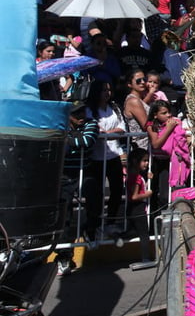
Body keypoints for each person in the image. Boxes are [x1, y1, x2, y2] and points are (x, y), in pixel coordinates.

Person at [55, 101, 99, 276]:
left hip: (85, 171)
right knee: (63, 214)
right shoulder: (61, 124)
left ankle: (91, 231)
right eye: (76, 114)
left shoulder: (91, 123)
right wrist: (69, 139)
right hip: (65, 174)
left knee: (94, 200)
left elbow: (87, 140)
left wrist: (67, 139)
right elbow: (59, 141)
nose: (80, 117)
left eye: (82, 112)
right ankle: (64, 257)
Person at [85, 79, 127, 240]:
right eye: (104, 90)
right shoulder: (90, 110)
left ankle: (111, 221)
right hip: (96, 157)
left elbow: (122, 128)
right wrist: (108, 133)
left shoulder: (114, 108)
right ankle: (93, 225)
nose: (107, 93)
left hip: (114, 155)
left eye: (109, 90)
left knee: (117, 190)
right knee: (96, 193)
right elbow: (95, 129)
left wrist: (108, 134)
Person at [148, 100, 192, 191]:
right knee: (154, 189)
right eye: (164, 113)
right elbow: (156, 144)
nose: (168, 115)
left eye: (169, 112)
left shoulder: (174, 122)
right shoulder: (151, 125)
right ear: (155, 115)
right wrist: (168, 129)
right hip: (156, 161)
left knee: (166, 192)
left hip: (170, 160)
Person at [125, 148, 153, 263]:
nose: (147, 163)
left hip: (133, 209)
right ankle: (146, 258)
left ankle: (118, 237)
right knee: (144, 234)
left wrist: (147, 181)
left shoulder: (134, 175)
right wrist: (147, 194)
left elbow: (140, 189)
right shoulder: (135, 177)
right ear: (136, 161)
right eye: (144, 161)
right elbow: (134, 196)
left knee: (133, 231)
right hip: (138, 209)